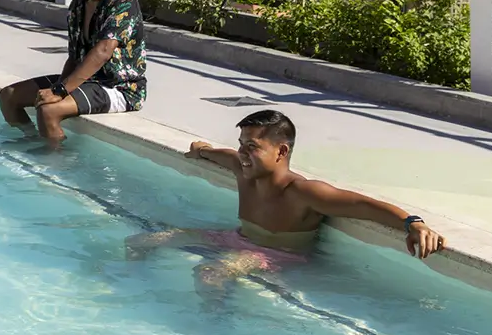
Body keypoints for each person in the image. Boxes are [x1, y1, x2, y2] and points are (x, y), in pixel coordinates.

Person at [127, 110, 445, 296]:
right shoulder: (242, 168)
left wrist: (412, 222)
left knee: (209, 273)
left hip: (277, 256)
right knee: (142, 239)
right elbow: (215, 153)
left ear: (280, 151)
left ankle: (212, 331)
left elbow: (362, 204)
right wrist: (201, 149)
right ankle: (134, 287)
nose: (241, 153)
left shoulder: (303, 192)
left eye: (251, 146)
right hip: (236, 238)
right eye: (241, 144)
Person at [0, 0, 147, 140]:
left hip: (120, 88)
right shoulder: (77, 6)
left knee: (48, 111)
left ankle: (56, 164)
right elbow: (75, 58)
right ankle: (33, 141)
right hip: (87, 81)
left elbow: (103, 50)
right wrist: (58, 87)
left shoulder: (122, 0)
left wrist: (60, 91)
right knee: (9, 96)